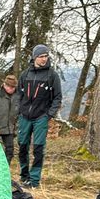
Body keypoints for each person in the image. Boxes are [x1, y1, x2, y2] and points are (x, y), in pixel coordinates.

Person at [17, 44, 62, 188]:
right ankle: (24, 176)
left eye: (46, 56)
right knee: (22, 145)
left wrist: (49, 114)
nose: (44, 59)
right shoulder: (25, 74)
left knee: (38, 148)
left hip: (41, 117)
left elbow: (57, 97)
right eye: (41, 56)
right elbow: (19, 94)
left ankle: (34, 180)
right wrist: (19, 110)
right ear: (34, 57)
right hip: (24, 116)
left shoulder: (52, 75)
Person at [0, 74, 20, 164]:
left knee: (10, 151)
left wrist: (16, 128)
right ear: (4, 85)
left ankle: (4, 169)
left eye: (13, 87)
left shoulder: (18, 97)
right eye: (9, 86)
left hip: (9, 129)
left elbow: (19, 114)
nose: (11, 89)